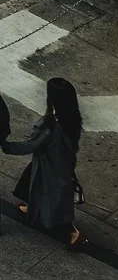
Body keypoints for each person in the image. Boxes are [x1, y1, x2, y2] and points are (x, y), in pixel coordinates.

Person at [6, 77, 84, 249]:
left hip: (48, 167)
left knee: (55, 202)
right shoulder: (72, 119)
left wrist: (7, 146)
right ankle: (30, 207)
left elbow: (31, 145)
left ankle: (73, 233)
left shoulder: (50, 125)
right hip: (62, 165)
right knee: (32, 183)